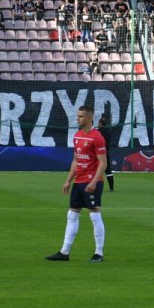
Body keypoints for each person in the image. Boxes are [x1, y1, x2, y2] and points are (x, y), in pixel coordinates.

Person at [46, 106, 107, 262]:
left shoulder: (97, 137)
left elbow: (103, 163)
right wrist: (68, 180)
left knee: (94, 214)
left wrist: (94, 181)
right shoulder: (77, 136)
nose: (78, 119)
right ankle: (64, 252)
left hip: (91, 181)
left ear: (89, 118)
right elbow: (76, 159)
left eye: (81, 116)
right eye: (77, 116)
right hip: (79, 181)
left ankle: (99, 253)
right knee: (72, 215)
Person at [97, 113, 118, 192]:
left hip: (98, 154)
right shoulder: (108, 132)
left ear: (100, 124)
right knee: (108, 171)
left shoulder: (97, 132)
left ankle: (96, 187)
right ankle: (111, 188)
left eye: (98, 123)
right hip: (106, 153)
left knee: (96, 170)